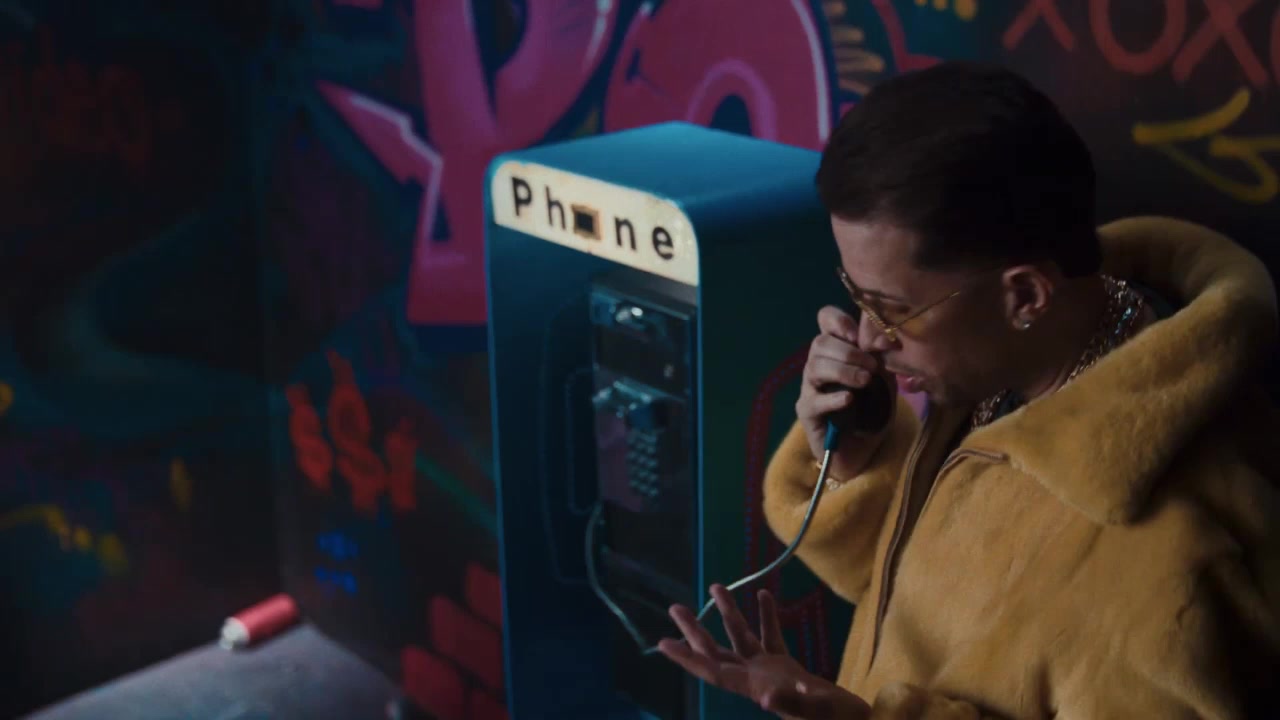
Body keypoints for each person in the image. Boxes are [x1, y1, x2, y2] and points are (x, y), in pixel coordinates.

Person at [655, 61, 1280, 718]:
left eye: (891, 308)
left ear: (1025, 295)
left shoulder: (1171, 556)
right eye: (855, 295)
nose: (866, 337)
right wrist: (854, 463)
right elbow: (936, 592)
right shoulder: (1006, 377)